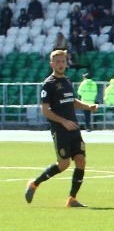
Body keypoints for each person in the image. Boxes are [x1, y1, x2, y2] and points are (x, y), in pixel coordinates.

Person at [25, 50, 98, 208]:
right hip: (60, 130)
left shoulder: (67, 81)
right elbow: (45, 110)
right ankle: (34, 183)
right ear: (52, 64)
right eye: (57, 62)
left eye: (63, 61)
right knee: (64, 164)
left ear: (66, 63)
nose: (60, 64)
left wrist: (88, 106)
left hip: (74, 128)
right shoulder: (49, 84)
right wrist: (64, 122)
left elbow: (72, 101)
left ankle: (72, 199)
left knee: (81, 161)